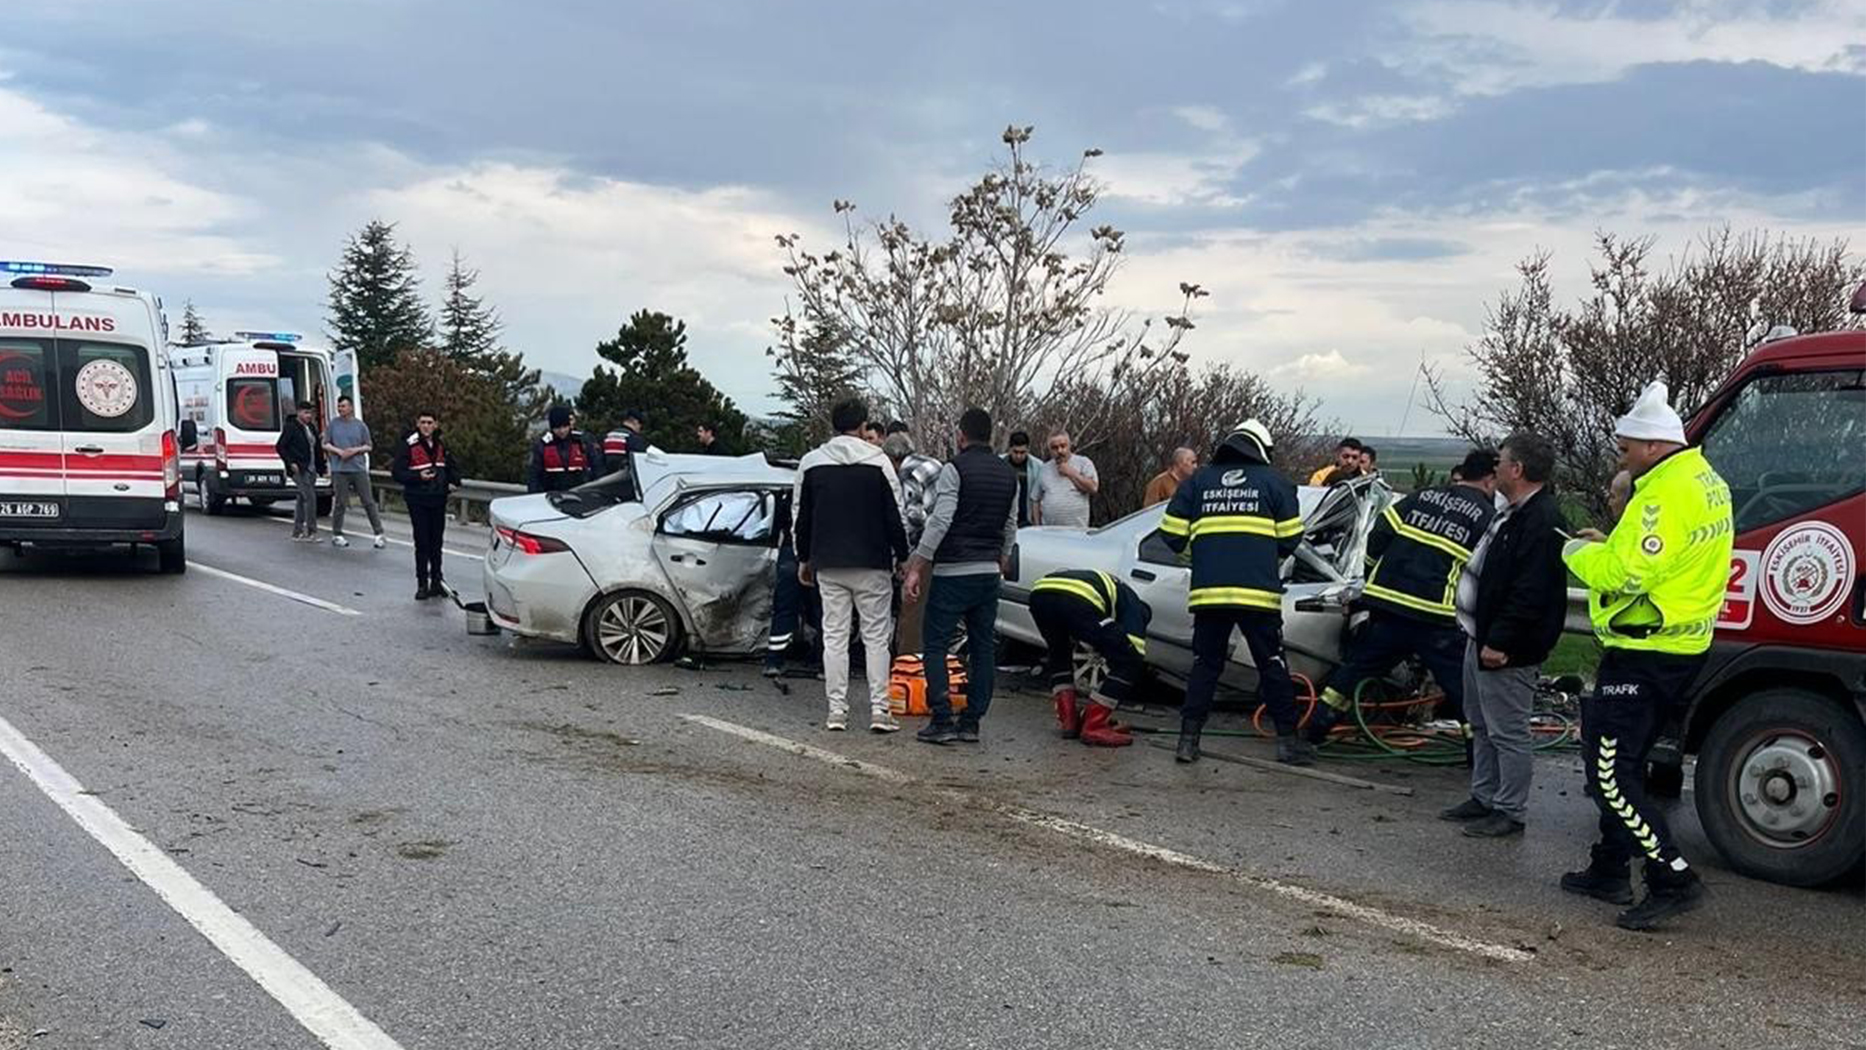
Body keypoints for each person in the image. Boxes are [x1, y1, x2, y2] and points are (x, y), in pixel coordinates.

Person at [1560, 381, 1731, 931]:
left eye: (1626, 445)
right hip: (1679, 645)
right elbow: (1659, 558)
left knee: (1610, 773)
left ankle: (1672, 876)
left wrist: (1577, 552)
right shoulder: (1704, 481)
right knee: (1623, 759)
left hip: (1647, 653)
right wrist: (1609, 543)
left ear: (1654, 445)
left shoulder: (1661, 495)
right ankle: (1609, 867)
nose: (1622, 453)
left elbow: (1628, 570)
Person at [1306, 449, 1497, 746]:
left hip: (1386, 604)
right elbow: (1484, 574)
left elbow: (1379, 532)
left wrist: (1371, 576)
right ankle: (1478, 752)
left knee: (1356, 669)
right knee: (1461, 688)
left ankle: (1316, 728)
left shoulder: (1422, 496)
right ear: (1490, 479)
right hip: (1433, 615)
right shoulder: (1486, 517)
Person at [1159, 419, 1311, 765]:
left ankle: (1188, 742)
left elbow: (1170, 533)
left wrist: (1201, 552)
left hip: (1209, 593)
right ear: (1261, 448)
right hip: (1258, 595)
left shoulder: (1198, 481)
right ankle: (1288, 744)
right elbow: (1291, 537)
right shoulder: (1275, 483)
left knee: (1205, 665)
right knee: (1271, 664)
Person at [1441, 435, 1568, 839]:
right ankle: (1483, 796)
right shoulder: (1511, 513)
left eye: (1502, 461)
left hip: (1506, 647)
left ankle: (1509, 809)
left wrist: (1502, 641)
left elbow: (1530, 592)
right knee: (1480, 722)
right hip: (1479, 637)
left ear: (1518, 470)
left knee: (1507, 730)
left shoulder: (1542, 521)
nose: (1494, 468)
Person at [903, 407, 1018, 745]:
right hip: (987, 574)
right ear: (990, 436)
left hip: (954, 571)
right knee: (983, 648)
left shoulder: (955, 469)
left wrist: (918, 564)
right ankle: (971, 721)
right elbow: (1010, 524)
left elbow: (941, 520)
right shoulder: (1007, 473)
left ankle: (941, 718)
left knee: (936, 642)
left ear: (961, 435)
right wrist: (1003, 559)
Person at [794, 397, 909, 733]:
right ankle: (879, 710)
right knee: (876, 638)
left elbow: (801, 516)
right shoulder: (879, 462)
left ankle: (837, 711)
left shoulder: (812, 462)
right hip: (872, 562)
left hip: (828, 562)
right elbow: (895, 515)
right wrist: (902, 556)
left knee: (834, 636)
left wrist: (804, 558)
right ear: (862, 427)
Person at [1031, 569, 1150, 748]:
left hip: (1041, 593)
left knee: (1059, 652)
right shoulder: (1135, 609)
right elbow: (1135, 651)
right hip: (1077, 598)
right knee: (1130, 661)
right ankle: (1094, 726)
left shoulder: (1119, 593)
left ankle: (1069, 721)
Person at [883, 431, 944, 656]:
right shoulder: (933, 463)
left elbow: (914, 518)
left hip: (926, 548)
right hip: (948, 547)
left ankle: (907, 666)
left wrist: (905, 558)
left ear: (892, 458)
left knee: (912, 611)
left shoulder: (907, 472)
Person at [391, 410, 460, 600]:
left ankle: (437, 582)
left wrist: (454, 482)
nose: (426, 426)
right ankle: (422, 584)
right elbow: (397, 473)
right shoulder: (409, 445)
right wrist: (417, 477)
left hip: (438, 498)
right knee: (422, 543)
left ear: (436, 424)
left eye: (430, 422)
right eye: (423, 422)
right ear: (417, 424)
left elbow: (452, 466)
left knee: (436, 543)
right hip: (418, 499)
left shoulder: (441, 444)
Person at [321, 394, 386, 549]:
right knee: (340, 503)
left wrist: (354, 451)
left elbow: (368, 446)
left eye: (343, 406)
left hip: (357, 468)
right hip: (340, 469)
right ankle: (337, 533)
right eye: (339, 406)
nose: (341, 409)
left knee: (368, 501)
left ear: (350, 407)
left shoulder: (360, 426)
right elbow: (325, 443)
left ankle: (379, 533)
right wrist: (339, 451)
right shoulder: (333, 425)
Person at [276, 401, 326, 542]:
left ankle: (297, 532)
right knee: (310, 498)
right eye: (305, 413)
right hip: (299, 468)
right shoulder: (291, 427)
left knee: (301, 498)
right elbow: (280, 446)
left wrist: (321, 467)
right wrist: (290, 462)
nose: (308, 416)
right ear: (298, 412)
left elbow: (317, 449)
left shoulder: (311, 427)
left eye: (310, 413)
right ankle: (312, 532)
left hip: (311, 468)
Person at [1032, 430, 1098, 528]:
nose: (1059, 451)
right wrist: (1037, 527)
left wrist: (1071, 472)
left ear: (1069, 445)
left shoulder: (1084, 463)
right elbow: (1035, 499)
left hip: (1077, 531)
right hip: (1049, 532)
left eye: (1063, 446)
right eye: (1054, 448)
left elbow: (1093, 488)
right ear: (1049, 449)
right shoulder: (1044, 469)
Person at [527, 405, 598, 493]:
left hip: (581, 494)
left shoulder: (583, 441)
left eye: (565, 427)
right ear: (552, 428)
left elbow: (597, 467)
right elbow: (534, 475)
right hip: (552, 495)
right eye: (557, 428)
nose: (562, 431)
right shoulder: (542, 445)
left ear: (569, 425)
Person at [1002, 431, 1040, 528]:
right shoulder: (999, 463)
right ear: (1010, 449)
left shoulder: (1037, 466)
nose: (1019, 456)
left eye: (1022, 452)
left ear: (1028, 449)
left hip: (1027, 519)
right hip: (1004, 519)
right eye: (1015, 452)